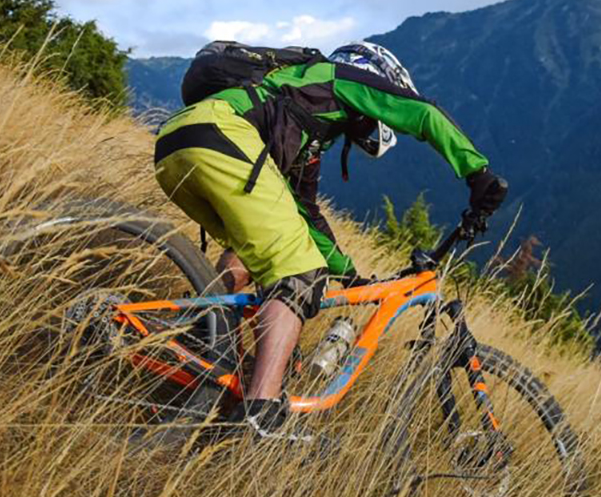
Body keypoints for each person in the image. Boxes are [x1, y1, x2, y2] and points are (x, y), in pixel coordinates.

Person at [153, 40, 507, 441]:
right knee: (298, 275)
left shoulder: (301, 116)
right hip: (222, 137)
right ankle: (260, 413)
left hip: (176, 144)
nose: (370, 125)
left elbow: (307, 213)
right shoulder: (337, 77)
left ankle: (207, 343)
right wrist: (478, 174)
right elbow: (422, 113)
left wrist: (349, 276)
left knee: (252, 254)